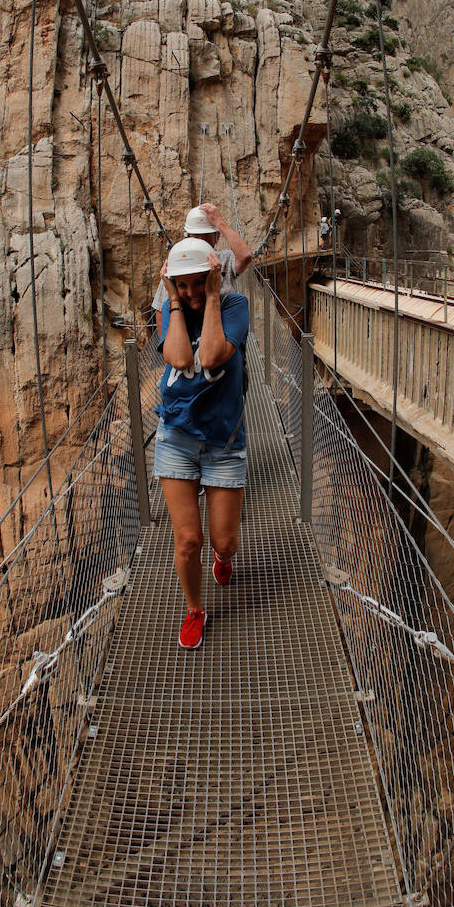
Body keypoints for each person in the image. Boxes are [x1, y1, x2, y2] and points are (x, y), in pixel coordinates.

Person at [153, 238, 249, 649]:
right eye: (182, 285)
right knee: (188, 540)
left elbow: (210, 357)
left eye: (196, 283)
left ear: (211, 278)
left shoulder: (234, 306)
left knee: (223, 542)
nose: (189, 292)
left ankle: (223, 560)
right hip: (176, 437)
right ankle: (195, 609)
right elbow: (178, 357)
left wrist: (211, 296)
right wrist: (174, 301)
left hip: (223, 441)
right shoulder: (169, 310)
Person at [152, 203, 251, 335]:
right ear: (188, 237)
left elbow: (245, 256)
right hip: (186, 339)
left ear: (217, 237)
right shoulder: (176, 264)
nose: (202, 240)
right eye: (197, 235)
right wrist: (168, 346)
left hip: (222, 333)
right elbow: (160, 311)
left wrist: (219, 222)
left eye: (207, 235)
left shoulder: (224, 260)